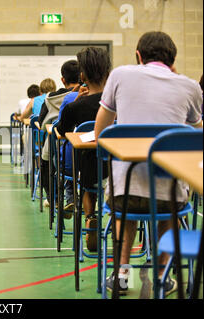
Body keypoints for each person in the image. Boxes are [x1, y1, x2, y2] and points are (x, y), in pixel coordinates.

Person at [94, 31, 203, 295]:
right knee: (172, 197)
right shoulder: (190, 86)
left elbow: (100, 133)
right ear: (173, 60)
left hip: (125, 192)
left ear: (138, 56)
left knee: (124, 203)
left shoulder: (119, 75)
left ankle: (121, 275)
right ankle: (164, 275)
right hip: (170, 196)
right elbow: (198, 135)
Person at [57, 47, 111, 252]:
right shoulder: (118, 103)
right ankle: (115, 217)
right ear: (107, 73)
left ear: (82, 76)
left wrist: (77, 101)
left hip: (90, 171)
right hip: (118, 170)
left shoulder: (75, 107)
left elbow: (61, 132)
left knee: (88, 175)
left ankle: (90, 217)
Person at [39, 60, 81, 213]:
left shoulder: (50, 98)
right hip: (85, 149)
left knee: (45, 162)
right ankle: (74, 198)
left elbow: (42, 124)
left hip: (57, 145)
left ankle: (54, 198)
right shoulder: (88, 95)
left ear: (63, 80)